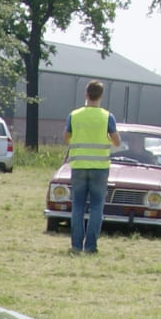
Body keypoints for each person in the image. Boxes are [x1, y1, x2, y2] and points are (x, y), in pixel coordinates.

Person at [62, 80, 122, 254]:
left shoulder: (74, 115)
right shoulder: (107, 117)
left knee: (78, 206)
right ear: (101, 96)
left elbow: (66, 138)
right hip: (100, 167)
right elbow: (117, 142)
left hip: (79, 166)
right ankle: (90, 246)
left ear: (86, 94)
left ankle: (75, 245)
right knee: (96, 207)